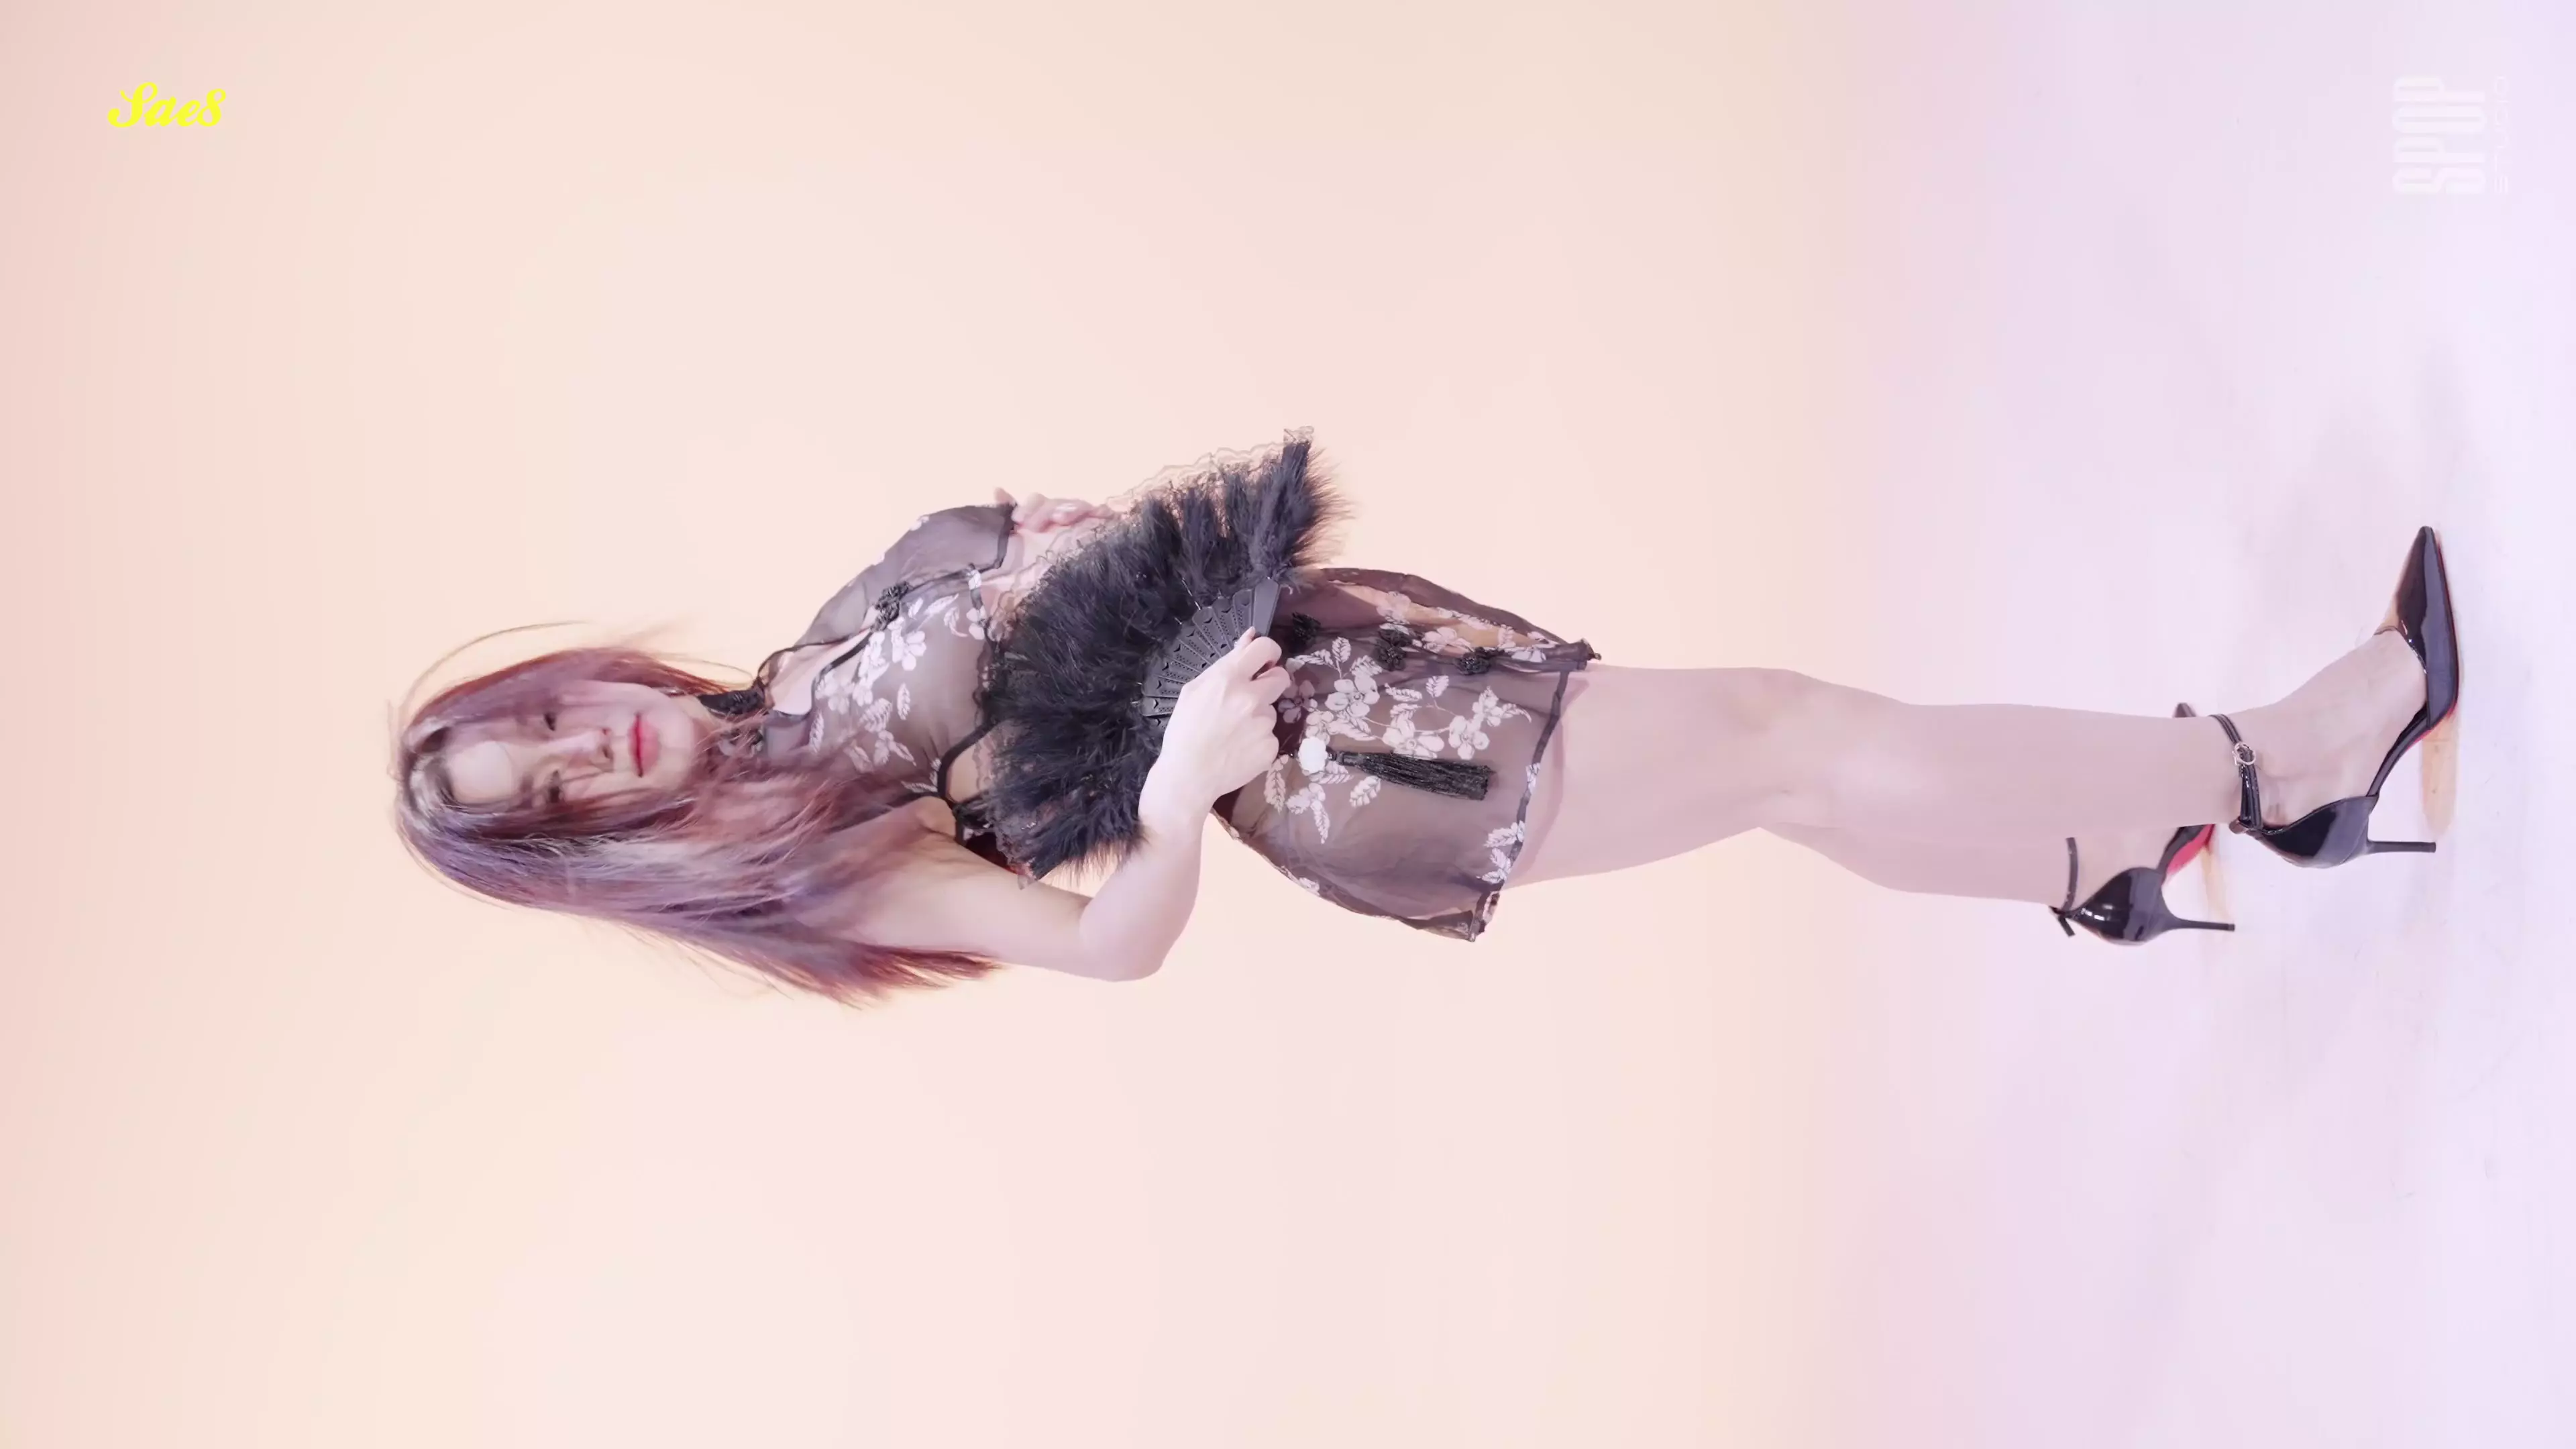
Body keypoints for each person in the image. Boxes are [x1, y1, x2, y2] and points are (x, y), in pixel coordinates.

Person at [390, 431, 2461, 1005]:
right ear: (588, 852)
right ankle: (2287, 769)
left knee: (1777, 782)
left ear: (579, 678)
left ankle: (2082, 853)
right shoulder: (813, 868)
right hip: (1352, 767)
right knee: (1794, 733)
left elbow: (1023, 599)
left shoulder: (790, 683)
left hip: (1363, 677)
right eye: (550, 794)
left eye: (547, 719)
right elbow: (1102, 949)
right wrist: (1177, 795)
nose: (588, 748)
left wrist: (1062, 545)